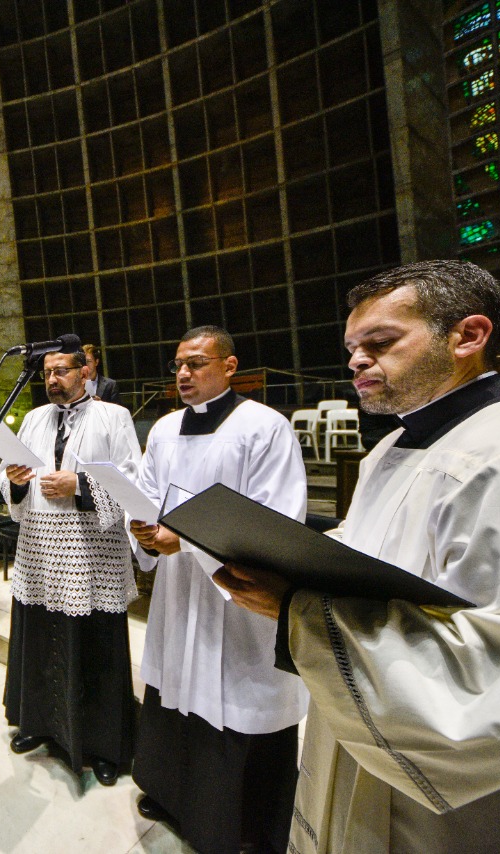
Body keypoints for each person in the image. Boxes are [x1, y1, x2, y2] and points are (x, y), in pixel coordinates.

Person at [218, 260, 500, 854]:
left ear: (468, 336)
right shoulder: (395, 448)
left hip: (478, 803)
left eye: (380, 342)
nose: (356, 361)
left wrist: (298, 611)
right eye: (352, 348)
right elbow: (383, 553)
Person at [129, 325, 309, 854]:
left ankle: (238, 824)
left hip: (234, 596)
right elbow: (146, 492)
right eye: (178, 365)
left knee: (232, 696)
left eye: (197, 363)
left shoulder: (264, 427)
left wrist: (184, 541)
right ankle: (172, 794)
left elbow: (276, 517)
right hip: (177, 592)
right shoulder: (164, 429)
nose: (183, 374)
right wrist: (143, 527)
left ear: (230, 366)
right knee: (173, 687)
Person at [0, 349, 142, 786]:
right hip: (40, 548)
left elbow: (131, 477)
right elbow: (7, 471)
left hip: (92, 554)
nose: (52, 379)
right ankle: (38, 723)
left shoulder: (114, 416)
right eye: (47, 373)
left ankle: (103, 745)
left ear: (85, 371)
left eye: (61, 371)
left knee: (96, 646)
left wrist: (79, 484)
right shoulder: (33, 418)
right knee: (41, 639)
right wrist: (14, 482)